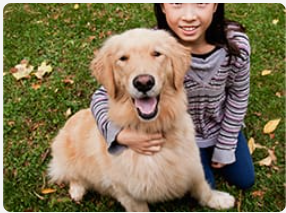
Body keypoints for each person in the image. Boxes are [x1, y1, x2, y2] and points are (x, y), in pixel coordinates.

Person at [90, 3, 255, 190]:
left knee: (245, 179)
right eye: (177, 3)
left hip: (218, 126)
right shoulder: (151, 43)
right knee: (201, 185)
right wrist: (118, 135)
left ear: (215, 5)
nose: (189, 16)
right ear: (162, 7)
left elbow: (238, 95)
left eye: (201, 3)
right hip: (177, 133)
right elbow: (100, 97)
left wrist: (226, 144)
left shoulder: (236, 45)